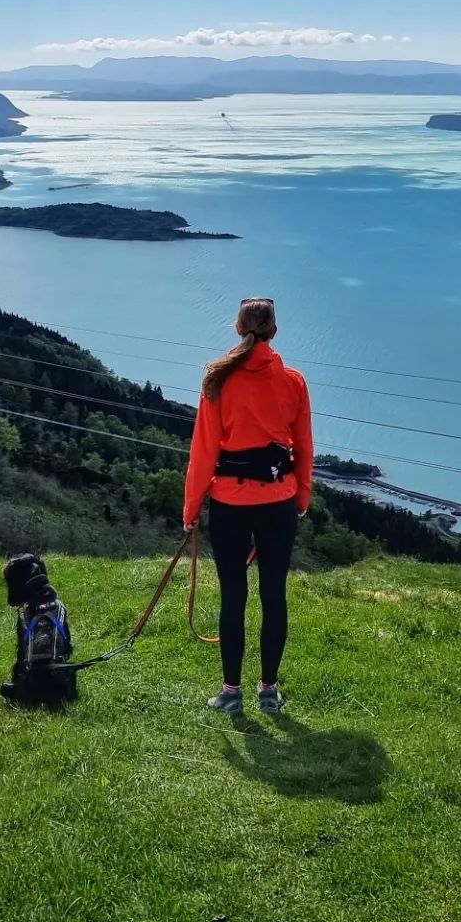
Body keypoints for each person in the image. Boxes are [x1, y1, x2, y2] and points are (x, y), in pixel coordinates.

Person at [183, 297, 313, 715]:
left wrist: (190, 510)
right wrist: (302, 498)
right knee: (274, 596)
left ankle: (231, 693)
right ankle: (269, 691)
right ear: (273, 331)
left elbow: (202, 453)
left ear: (239, 328)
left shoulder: (218, 382)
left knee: (233, 596)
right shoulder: (293, 381)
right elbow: (304, 450)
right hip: (278, 501)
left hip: (230, 503)